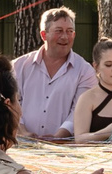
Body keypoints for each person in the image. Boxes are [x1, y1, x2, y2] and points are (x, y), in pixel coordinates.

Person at [12, 7, 96, 143]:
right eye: (59, 31)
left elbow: (80, 110)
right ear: (44, 35)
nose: (65, 37)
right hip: (20, 147)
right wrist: (23, 132)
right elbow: (10, 103)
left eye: (69, 31)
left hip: (63, 152)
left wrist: (59, 137)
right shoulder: (18, 66)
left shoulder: (85, 71)